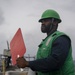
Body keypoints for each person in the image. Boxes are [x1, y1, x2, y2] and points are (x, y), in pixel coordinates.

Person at [16, 9, 75, 75]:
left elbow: (55, 62)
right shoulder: (44, 42)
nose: (42, 23)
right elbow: (41, 64)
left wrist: (28, 63)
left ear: (55, 22)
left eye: (46, 21)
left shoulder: (61, 38)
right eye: (42, 22)